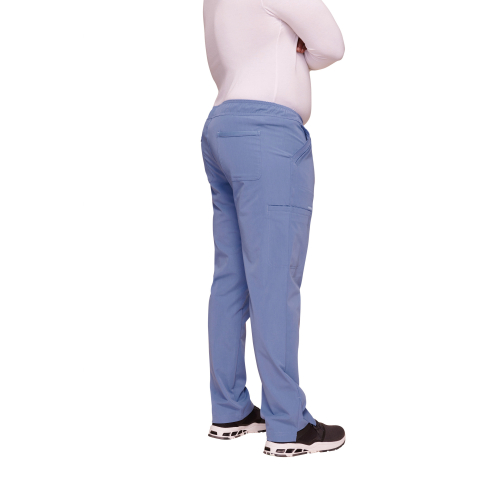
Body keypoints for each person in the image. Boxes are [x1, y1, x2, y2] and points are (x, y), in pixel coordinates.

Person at [201, 0, 345, 457]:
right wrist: (299, 45)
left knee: (232, 279)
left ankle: (230, 409)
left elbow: (229, 57)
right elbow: (332, 45)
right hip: (267, 132)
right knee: (274, 278)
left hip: (221, 125)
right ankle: (288, 423)